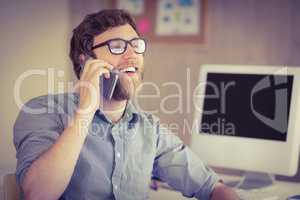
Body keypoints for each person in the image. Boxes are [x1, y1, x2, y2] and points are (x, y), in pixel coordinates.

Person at [13, 9, 239, 200]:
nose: (132, 55)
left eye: (136, 45)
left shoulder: (149, 128)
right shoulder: (44, 111)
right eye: (118, 46)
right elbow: (38, 194)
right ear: (86, 60)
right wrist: (84, 112)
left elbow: (212, 188)